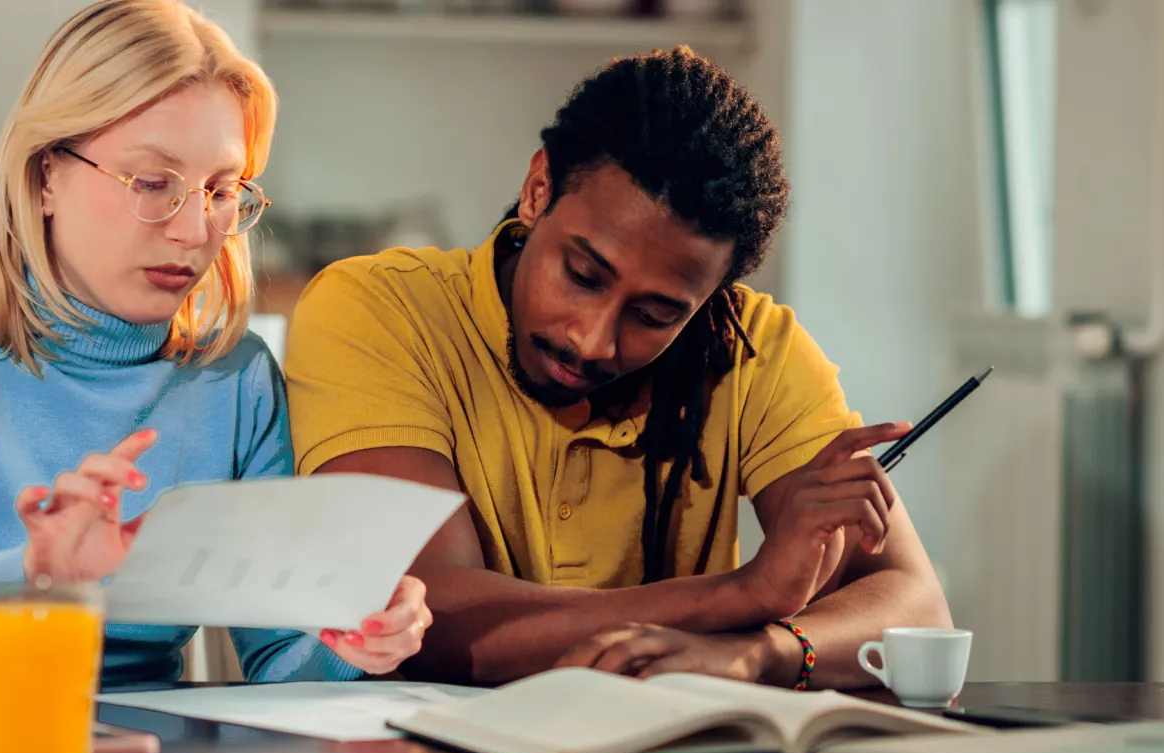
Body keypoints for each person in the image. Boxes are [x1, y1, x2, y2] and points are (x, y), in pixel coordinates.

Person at [0, 0, 431, 685]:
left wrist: (359, 639)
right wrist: (30, 570)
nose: (195, 231)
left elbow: (282, 657)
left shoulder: (236, 379)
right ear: (44, 177)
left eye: (221, 190)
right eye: (153, 183)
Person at [283, 47, 951, 690]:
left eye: (656, 314)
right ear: (538, 189)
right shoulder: (377, 308)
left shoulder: (750, 348)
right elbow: (437, 620)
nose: (594, 340)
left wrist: (761, 654)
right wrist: (741, 595)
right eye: (582, 274)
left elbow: (918, 611)